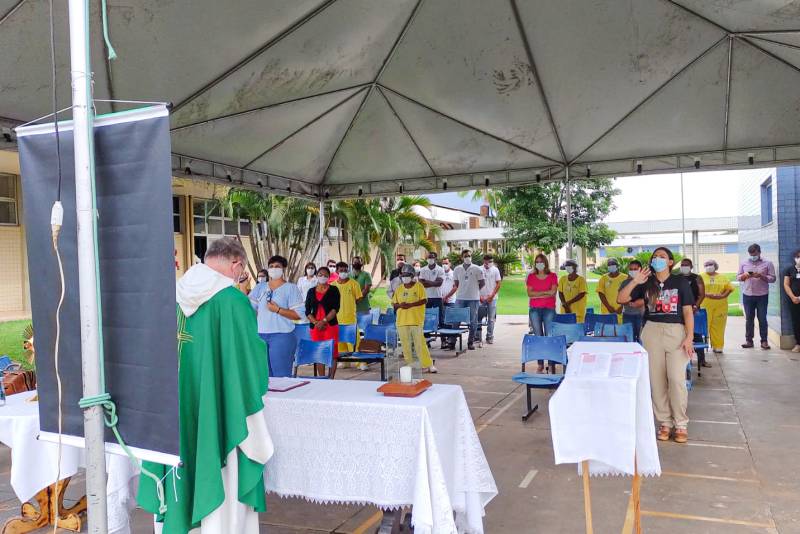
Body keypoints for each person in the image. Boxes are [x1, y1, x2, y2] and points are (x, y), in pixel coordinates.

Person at [139, 237, 273, 534]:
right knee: (222, 483)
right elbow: (249, 363)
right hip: (217, 413)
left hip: (172, 413)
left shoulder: (170, 295)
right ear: (237, 265)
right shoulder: (233, 301)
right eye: (242, 272)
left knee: (178, 473)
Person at [618, 247, 695, 444]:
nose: (657, 259)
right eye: (655, 257)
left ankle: (680, 424)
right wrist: (636, 281)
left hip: (676, 332)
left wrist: (689, 337)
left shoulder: (680, 282)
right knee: (656, 381)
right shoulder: (646, 283)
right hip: (651, 331)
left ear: (670, 262)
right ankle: (665, 423)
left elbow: (687, 312)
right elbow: (621, 299)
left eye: (662, 257)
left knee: (677, 379)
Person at [249, 256, 305, 378]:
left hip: (282, 335)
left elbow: (299, 315)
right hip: (260, 335)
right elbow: (249, 309)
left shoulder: (291, 288)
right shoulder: (260, 287)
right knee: (263, 376)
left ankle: (284, 398)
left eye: (277, 266)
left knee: (281, 377)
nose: (274, 269)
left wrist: (278, 310)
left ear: (283, 269)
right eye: (271, 266)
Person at [391, 265, 437, 373]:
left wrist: (411, 304)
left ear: (412, 276)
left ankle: (428, 364)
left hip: (415, 320)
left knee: (419, 343)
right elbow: (394, 303)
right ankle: (410, 364)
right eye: (403, 275)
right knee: (406, 344)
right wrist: (401, 305)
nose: (405, 277)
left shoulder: (419, 286)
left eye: (407, 275)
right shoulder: (399, 288)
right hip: (402, 321)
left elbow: (424, 300)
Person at [737, 243, 776, 349]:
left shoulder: (768, 263)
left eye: (754, 254)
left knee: (762, 318)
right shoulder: (744, 263)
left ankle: (764, 341)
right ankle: (749, 340)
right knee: (749, 318)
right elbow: (738, 277)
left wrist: (761, 276)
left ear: (759, 252)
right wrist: (744, 276)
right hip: (748, 294)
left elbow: (773, 278)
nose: (752, 256)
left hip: (762, 295)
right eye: (750, 254)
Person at [305, 266, 340, 377]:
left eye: (325, 275)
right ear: (316, 276)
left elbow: (335, 309)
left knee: (332, 353)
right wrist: (316, 323)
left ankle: (331, 378)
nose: (322, 277)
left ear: (329, 277)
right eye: (320, 274)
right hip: (316, 328)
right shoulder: (311, 291)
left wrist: (323, 321)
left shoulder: (334, 290)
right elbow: (307, 311)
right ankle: (322, 378)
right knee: (319, 353)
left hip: (330, 326)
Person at [527, 253, 558, 372]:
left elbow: (553, 292)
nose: (539, 264)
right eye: (537, 262)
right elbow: (530, 294)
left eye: (541, 261)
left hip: (549, 309)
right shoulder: (531, 276)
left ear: (545, 263)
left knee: (549, 336)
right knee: (538, 337)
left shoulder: (552, 276)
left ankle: (551, 364)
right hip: (534, 310)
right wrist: (545, 292)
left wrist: (537, 294)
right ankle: (540, 364)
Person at [448, 249, 485, 350]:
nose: (467, 257)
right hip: (460, 298)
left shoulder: (477, 269)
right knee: (456, 320)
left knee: (473, 321)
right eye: (465, 256)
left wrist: (474, 290)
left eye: (469, 255)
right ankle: (452, 342)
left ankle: (470, 342)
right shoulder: (457, 269)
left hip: (473, 299)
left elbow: (482, 283)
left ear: (471, 256)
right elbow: (456, 283)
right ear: (462, 257)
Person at [701, 260, 734, 354]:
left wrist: (722, 296)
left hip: (720, 305)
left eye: (710, 264)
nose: (708, 266)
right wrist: (706, 294)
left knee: (718, 326)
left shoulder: (722, 277)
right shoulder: (701, 277)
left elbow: (729, 288)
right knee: (704, 325)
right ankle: (702, 345)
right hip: (705, 304)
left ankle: (718, 345)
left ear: (715, 266)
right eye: (706, 265)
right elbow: (696, 289)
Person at [680, 258, 707, 369]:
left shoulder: (697, 278)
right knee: (681, 335)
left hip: (694, 311)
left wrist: (695, 306)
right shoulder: (676, 278)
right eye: (682, 265)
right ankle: (682, 360)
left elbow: (702, 294)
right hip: (679, 311)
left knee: (696, 334)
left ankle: (702, 360)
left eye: (687, 265)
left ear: (691, 267)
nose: (684, 267)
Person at [332, 261, 363, 354]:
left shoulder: (354, 284)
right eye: (341, 270)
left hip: (350, 318)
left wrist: (350, 304)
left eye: (345, 270)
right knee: (340, 341)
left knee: (354, 341)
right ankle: (345, 361)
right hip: (337, 318)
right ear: (337, 271)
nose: (343, 272)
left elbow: (358, 298)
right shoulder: (332, 285)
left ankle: (359, 362)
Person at [351, 256, 373, 370]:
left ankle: (364, 360)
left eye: (358, 262)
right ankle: (352, 357)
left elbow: (366, 289)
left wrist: (356, 299)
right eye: (354, 262)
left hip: (363, 308)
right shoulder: (349, 275)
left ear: (362, 263)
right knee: (353, 334)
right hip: (351, 310)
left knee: (364, 334)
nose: (356, 264)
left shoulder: (366, 275)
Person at [478, 254, 502, 344]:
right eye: (488, 261)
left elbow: (498, 283)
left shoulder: (495, 270)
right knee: (478, 318)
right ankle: (478, 337)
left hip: (493, 298)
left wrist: (492, 296)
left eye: (491, 261)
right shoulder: (479, 269)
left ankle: (489, 336)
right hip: (481, 297)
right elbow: (476, 283)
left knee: (491, 319)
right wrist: (479, 296)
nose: (489, 263)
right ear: (484, 261)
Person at [619, 260, 645, 342]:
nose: (633, 271)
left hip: (642, 315)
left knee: (642, 339)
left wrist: (642, 302)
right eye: (631, 269)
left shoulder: (646, 282)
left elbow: (651, 297)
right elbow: (620, 299)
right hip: (627, 315)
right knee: (629, 339)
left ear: (640, 270)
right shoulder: (625, 283)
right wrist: (627, 302)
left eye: (635, 269)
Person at [419, 251, 444, 325]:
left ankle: (442, 335)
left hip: (437, 296)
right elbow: (422, 284)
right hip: (426, 297)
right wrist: (434, 283)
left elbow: (439, 283)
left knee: (440, 317)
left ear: (435, 258)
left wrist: (426, 281)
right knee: (426, 316)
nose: (430, 259)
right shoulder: (423, 269)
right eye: (428, 257)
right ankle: (427, 334)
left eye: (432, 257)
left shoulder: (440, 269)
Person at [783, 250, 800, 353]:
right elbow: (786, 284)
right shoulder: (789, 269)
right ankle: (798, 343)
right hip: (794, 300)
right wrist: (793, 297)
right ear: (794, 258)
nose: (799, 259)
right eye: (798, 257)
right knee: (796, 321)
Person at [439, 257, 457, 349]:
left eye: (446, 263)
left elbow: (455, 287)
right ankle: (443, 341)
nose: (444, 265)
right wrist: (441, 297)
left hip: (451, 301)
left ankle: (451, 341)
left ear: (450, 264)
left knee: (450, 321)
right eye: (443, 263)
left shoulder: (453, 274)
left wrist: (447, 296)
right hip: (441, 300)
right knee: (442, 321)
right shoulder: (440, 273)